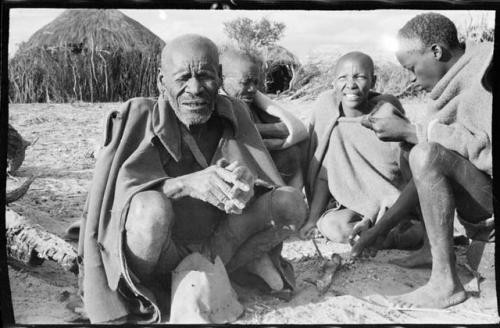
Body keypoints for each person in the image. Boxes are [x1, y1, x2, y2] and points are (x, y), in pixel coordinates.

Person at [78, 34, 307, 323]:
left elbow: (263, 181)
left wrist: (248, 185)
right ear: (162, 82)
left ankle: (220, 272)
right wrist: (187, 184)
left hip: (221, 244)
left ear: (221, 77)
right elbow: (114, 200)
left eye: (206, 76)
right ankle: (157, 289)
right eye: (183, 78)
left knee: (292, 203)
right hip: (161, 252)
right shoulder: (137, 115)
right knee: (150, 210)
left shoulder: (235, 111)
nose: (195, 89)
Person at [351, 13, 493, 309]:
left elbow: (485, 154)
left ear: (437, 52)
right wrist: (377, 232)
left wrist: (412, 131)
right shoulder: (448, 87)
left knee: (423, 150)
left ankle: (445, 284)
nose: (412, 79)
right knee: (415, 151)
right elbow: (426, 180)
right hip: (480, 195)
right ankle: (432, 249)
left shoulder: (486, 76)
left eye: (412, 68)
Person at [300, 51, 423, 249]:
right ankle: (377, 234)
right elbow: (324, 176)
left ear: (373, 81)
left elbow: (403, 173)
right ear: (333, 83)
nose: (351, 84)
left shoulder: (386, 115)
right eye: (343, 77)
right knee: (332, 226)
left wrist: (389, 213)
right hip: (352, 203)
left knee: (413, 233)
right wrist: (312, 220)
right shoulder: (330, 117)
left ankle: (379, 234)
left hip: (392, 204)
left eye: (360, 77)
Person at [220, 48, 308, 189]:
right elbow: (229, 131)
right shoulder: (220, 104)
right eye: (245, 82)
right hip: (241, 182)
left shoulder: (253, 100)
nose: (252, 88)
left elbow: (292, 128)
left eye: (256, 82)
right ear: (221, 78)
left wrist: (268, 141)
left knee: (300, 148)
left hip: (271, 175)